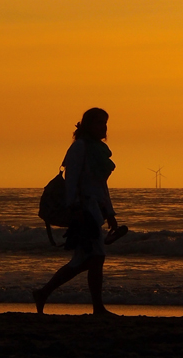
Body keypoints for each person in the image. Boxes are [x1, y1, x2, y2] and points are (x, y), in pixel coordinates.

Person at [33, 107, 126, 316]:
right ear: (88, 125)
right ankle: (97, 307)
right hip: (83, 208)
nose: (104, 127)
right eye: (99, 123)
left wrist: (110, 213)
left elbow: (101, 185)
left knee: (86, 259)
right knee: (95, 257)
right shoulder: (80, 148)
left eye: (105, 123)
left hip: (95, 209)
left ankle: (44, 292)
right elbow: (71, 180)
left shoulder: (98, 150)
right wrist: (74, 207)